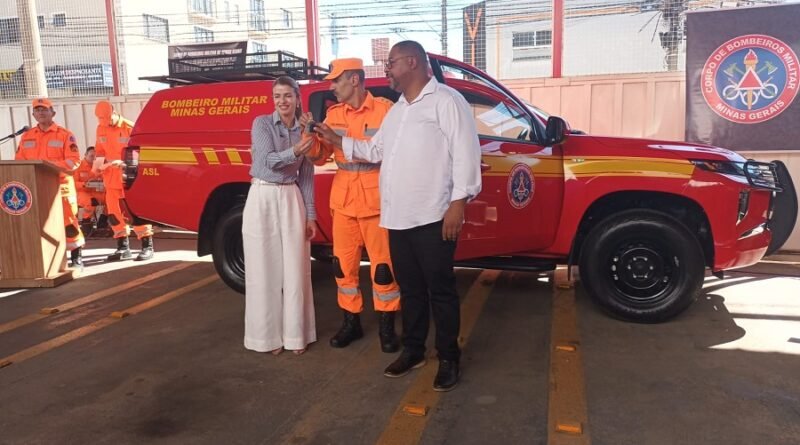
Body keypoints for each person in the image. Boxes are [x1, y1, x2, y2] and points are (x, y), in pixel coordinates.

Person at [315, 41, 482, 391]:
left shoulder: (447, 102)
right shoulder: (399, 110)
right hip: (397, 217)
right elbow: (375, 151)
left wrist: (458, 204)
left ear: (412, 62)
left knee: (441, 291)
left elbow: (466, 154)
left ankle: (449, 357)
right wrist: (337, 139)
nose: (386, 70)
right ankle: (414, 350)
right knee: (411, 291)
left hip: (434, 215)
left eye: (391, 63)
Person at [302, 58, 401, 353]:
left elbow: (392, 154)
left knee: (384, 268)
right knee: (343, 268)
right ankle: (351, 322)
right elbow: (319, 157)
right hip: (343, 202)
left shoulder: (386, 111)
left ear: (355, 80)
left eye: (336, 81)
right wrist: (308, 133)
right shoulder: (333, 115)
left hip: (376, 203)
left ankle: (386, 326)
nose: (331, 87)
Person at [243, 76, 318, 356]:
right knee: (264, 268)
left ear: (298, 98)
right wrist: (295, 150)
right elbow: (265, 161)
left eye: (288, 95)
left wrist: (311, 215)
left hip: (291, 195)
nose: (282, 101)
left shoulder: (304, 129)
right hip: (262, 195)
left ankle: (297, 335)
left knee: (297, 268)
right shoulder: (261, 123)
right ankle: (268, 338)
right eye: (277, 96)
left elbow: (307, 175)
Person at [15, 98, 85, 268]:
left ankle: (76, 257)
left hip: (61, 187)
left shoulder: (65, 135)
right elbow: (19, 161)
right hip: (35, 187)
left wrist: (48, 167)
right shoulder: (26, 136)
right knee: (40, 224)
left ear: (53, 113)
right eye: (37, 110)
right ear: (33, 114)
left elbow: (74, 162)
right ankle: (47, 260)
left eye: (44, 109)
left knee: (69, 223)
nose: (41, 113)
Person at [92, 100, 154, 261]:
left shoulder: (129, 127)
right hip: (111, 178)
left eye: (106, 119)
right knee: (114, 214)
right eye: (101, 120)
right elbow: (99, 151)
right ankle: (123, 248)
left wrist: (125, 163)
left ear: (113, 112)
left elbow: (140, 152)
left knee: (135, 212)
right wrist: (97, 167)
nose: (105, 123)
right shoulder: (100, 129)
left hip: (129, 178)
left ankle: (147, 246)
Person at [75, 146, 106, 235]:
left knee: (110, 199)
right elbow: (73, 183)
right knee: (90, 202)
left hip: (96, 191)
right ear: (85, 155)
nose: (94, 159)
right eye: (91, 156)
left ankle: (102, 225)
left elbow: (104, 179)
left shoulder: (100, 166)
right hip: (81, 191)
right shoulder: (78, 165)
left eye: (96, 157)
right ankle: (86, 225)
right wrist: (84, 184)